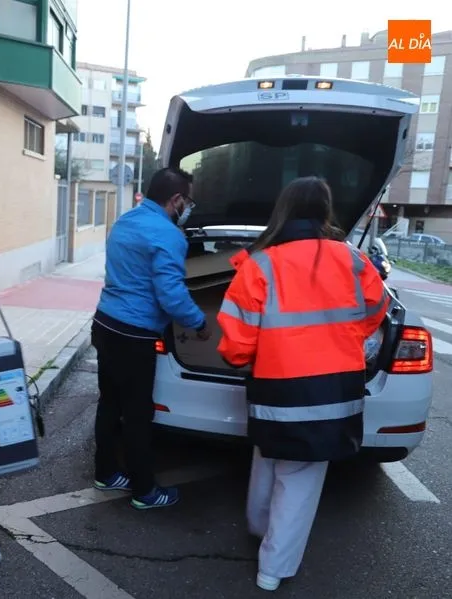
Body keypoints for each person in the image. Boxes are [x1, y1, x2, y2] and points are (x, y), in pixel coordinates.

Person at [216, 176, 390, 592]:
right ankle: (272, 570)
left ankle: (259, 528)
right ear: (325, 211)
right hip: (331, 391)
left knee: (268, 456)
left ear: (284, 209)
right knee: (300, 477)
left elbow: (236, 345)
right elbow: (376, 310)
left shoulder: (259, 265)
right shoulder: (351, 260)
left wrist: (260, 356)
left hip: (274, 389)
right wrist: (341, 337)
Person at [91, 167, 212, 509]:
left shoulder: (126, 221)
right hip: (134, 335)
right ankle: (144, 491)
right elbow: (171, 296)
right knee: (139, 414)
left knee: (110, 404)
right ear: (175, 199)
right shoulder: (168, 235)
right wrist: (200, 323)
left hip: (106, 323)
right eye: (186, 201)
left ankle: (107, 473)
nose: (187, 207)